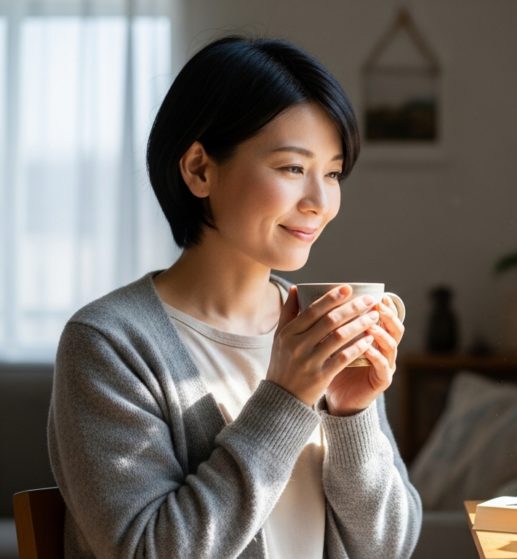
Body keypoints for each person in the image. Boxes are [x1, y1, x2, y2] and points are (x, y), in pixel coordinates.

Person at [46, 36, 422, 558]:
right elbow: (149, 550)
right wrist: (287, 397)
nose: (320, 201)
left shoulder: (319, 327)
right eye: (293, 168)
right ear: (200, 169)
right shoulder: (109, 344)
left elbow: (390, 549)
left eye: (333, 173)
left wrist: (353, 414)